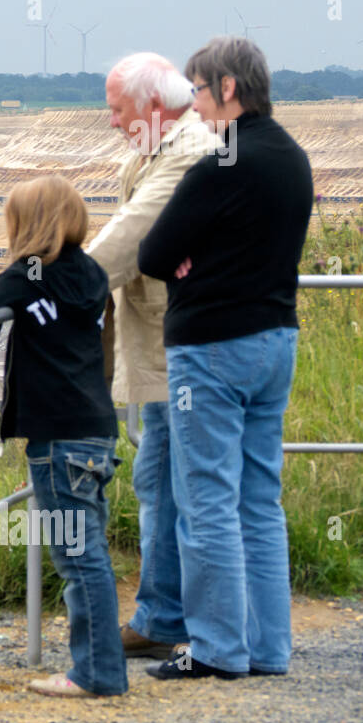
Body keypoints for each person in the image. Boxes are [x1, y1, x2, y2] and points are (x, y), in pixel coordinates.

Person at [138, 36, 313, 681]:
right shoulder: (292, 157)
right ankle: (268, 649)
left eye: (200, 93)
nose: (197, 108)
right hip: (276, 341)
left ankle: (214, 649)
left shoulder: (223, 161)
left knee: (205, 497)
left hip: (211, 352)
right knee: (259, 501)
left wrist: (191, 258)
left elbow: (155, 254)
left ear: (229, 89)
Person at [0, 176, 124, 697]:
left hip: (57, 439)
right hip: (96, 430)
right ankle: (100, 667)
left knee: (79, 559)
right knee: (89, 551)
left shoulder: (25, 274)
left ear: (26, 226)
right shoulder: (93, 272)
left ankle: (97, 674)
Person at [85, 53, 219, 662]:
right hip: (167, 342)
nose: (111, 121)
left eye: (117, 109)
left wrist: (50, 285)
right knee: (162, 477)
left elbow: (132, 232)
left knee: (174, 481)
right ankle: (165, 613)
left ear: (152, 107)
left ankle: (179, 620)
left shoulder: (188, 150)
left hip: (182, 346)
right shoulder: (153, 147)